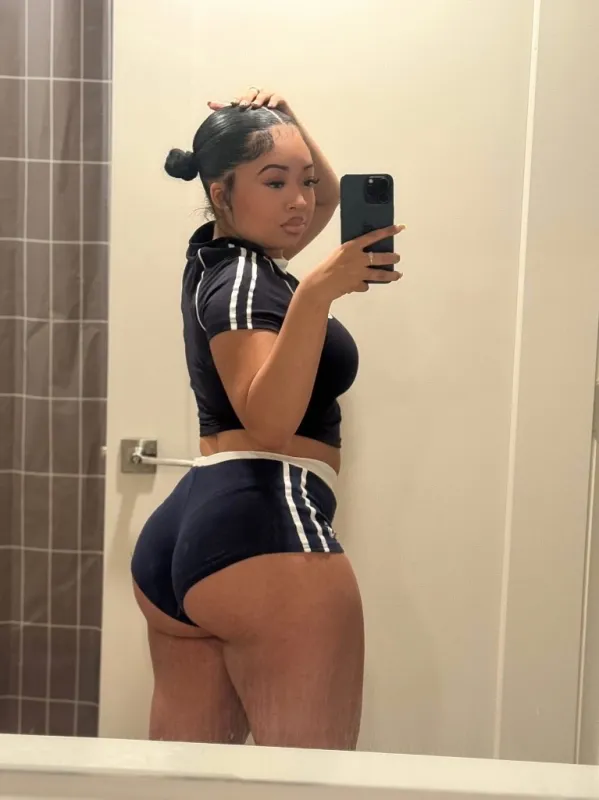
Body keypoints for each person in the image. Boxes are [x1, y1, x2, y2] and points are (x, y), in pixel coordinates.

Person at [131, 86, 404, 750]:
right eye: (275, 182)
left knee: (184, 791)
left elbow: (329, 200)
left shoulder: (223, 257)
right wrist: (318, 292)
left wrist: (287, 121)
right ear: (221, 193)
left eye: (304, 180)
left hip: (195, 531)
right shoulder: (248, 281)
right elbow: (269, 422)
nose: (302, 201)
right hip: (264, 524)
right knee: (310, 786)